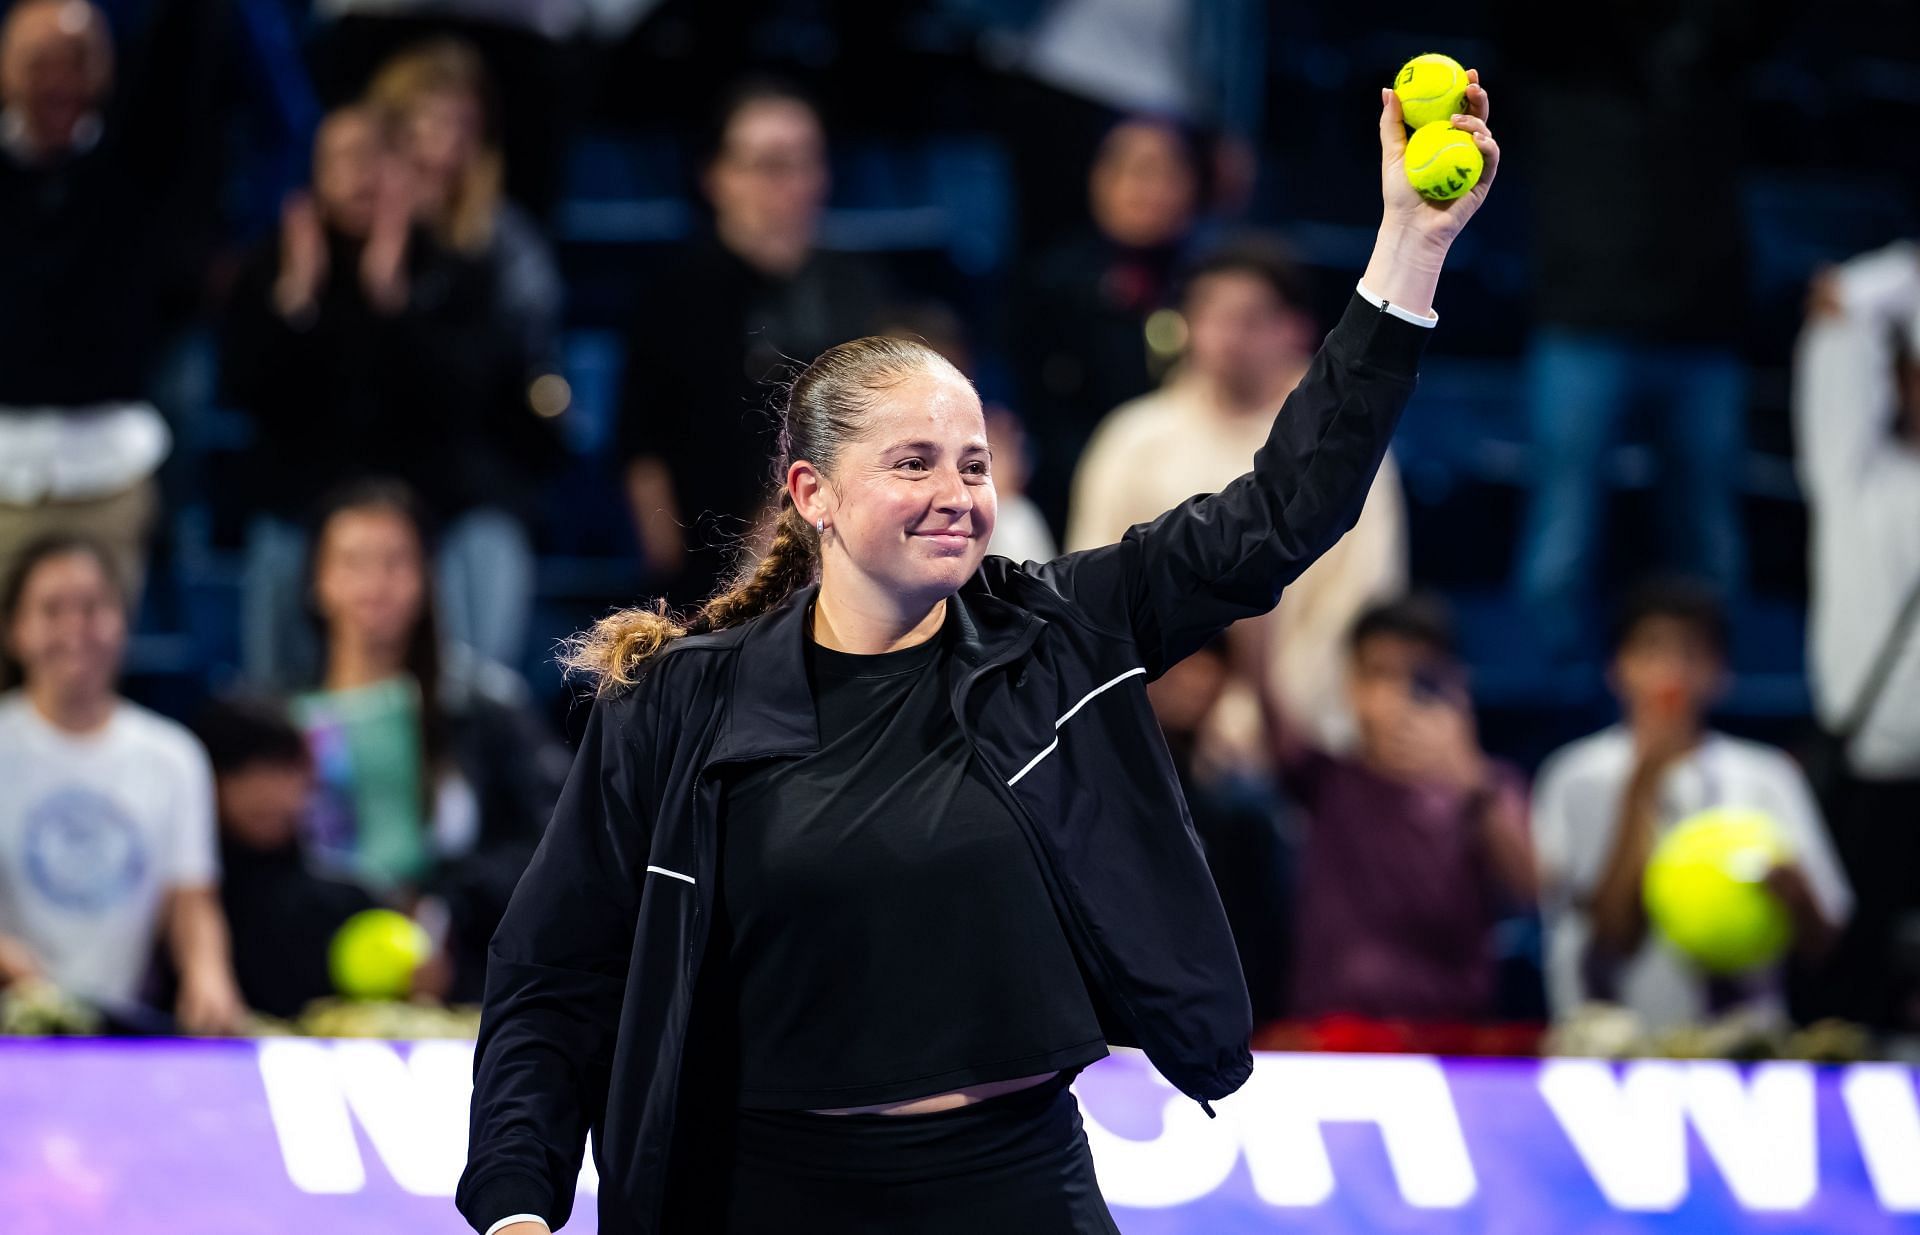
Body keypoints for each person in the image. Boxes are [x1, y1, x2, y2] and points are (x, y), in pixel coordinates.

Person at [459, 77, 1498, 1235]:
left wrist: (1409, 246)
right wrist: (516, 1203)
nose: (957, 494)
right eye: (913, 463)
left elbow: (1287, 506)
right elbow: (551, 972)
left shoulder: (1064, 631)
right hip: (756, 1193)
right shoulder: (676, 702)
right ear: (813, 493)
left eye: (971, 463)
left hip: (1015, 1183)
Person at [222, 105, 562, 683]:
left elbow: (467, 399)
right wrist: (296, 311)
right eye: (341, 160)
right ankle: (279, 717)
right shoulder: (275, 266)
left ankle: (469, 710)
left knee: (483, 537)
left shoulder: (456, 265)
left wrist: (393, 303)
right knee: (277, 546)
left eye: (375, 158)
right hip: (307, 505)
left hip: (431, 505)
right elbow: (245, 394)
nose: (360, 176)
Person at [1068, 239, 1407, 754]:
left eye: (1249, 319)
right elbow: (1088, 595)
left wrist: (1289, 715)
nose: (1228, 337)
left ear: (1295, 327)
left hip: (1308, 736)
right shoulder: (1131, 439)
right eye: (1210, 315)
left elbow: (1364, 598)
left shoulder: (1344, 449)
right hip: (1157, 726)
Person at [1532, 579, 1853, 1032]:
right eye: (1651, 650)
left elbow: (1825, 942)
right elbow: (1603, 938)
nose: (1671, 671)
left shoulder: (1768, 776)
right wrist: (1642, 788)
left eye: (1691, 653)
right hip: (1613, 1052)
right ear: (1618, 667)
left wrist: (1792, 891)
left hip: (1748, 1046)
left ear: (1720, 674)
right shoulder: (1575, 776)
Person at [618, 78, 889, 610]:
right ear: (718, 176)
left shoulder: (857, 291)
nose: (789, 184)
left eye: (803, 161)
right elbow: (639, 448)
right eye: (769, 163)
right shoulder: (674, 292)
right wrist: (674, 572)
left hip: (835, 546)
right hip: (701, 565)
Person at [294, 480, 568, 1002]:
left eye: (395, 562)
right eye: (352, 562)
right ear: (318, 580)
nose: (374, 584)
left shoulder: (485, 710)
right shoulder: (277, 719)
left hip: (462, 983)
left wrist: (449, 907)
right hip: (309, 985)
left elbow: (548, 840)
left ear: (426, 578)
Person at [0, 0, 223, 600]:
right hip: (3, 464)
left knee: (85, 656)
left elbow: (182, 56)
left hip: (109, 469)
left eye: (75, 62)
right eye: (38, 62)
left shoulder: (136, 167)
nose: (57, 81)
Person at [0, 535, 246, 1033]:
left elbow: (191, 900)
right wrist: (22, 978)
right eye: (51, 610)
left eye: (92, 608)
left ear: (122, 622)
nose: (75, 629)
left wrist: (209, 976)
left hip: (122, 1027)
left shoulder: (173, 755)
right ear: (15, 631)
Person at [1265, 595, 1534, 1023]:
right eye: (1379, 675)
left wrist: (1470, 780)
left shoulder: (1488, 786)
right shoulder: (1325, 778)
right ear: (1352, 687)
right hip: (1332, 1041)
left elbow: (1531, 889)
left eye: (1417, 677)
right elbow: (1266, 704)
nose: (1395, 696)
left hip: (1454, 1043)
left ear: (1452, 685)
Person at [1794, 245, 1920, 1029]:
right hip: (1864, 786)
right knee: (1841, 1011)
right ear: (1900, 377)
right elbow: (1837, 308)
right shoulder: (1857, 474)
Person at [1011, 114, 1204, 538]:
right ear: (1098, 180)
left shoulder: (1212, 281)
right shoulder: (1052, 283)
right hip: (1077, 489)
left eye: (1166, 171)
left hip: (1197, 485)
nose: (1148, 189)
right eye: (1134, 170)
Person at [193, 693, 378, 1020]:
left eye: (283, 769)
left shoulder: (353, 905)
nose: (269, 792)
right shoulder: (182, 912)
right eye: (246, 772)